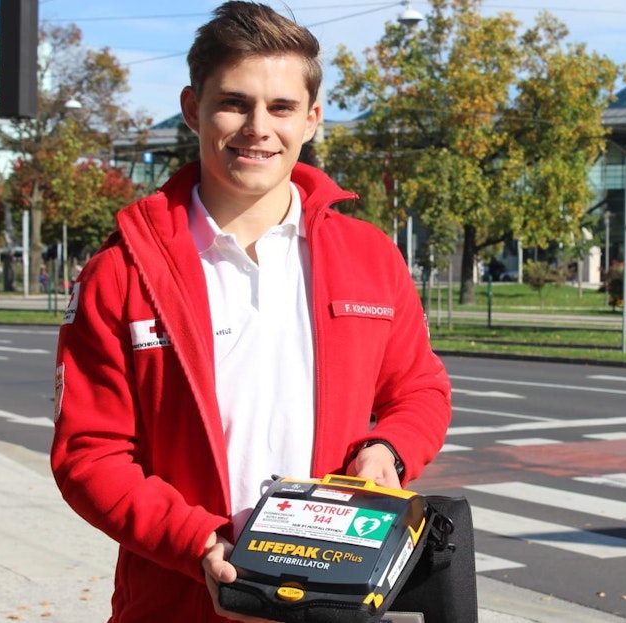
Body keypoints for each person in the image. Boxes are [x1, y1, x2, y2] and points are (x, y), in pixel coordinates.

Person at [49, 3, 452, 621]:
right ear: (194, 109)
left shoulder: (370, 256)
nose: (257, 127)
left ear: (312, 119)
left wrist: (388, 452)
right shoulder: (121, 273)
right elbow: (90, 455)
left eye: (282, 107)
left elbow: (419, 389)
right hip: (176, 600)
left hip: (333, 599)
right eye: (234, 102)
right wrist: (201, 543)